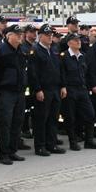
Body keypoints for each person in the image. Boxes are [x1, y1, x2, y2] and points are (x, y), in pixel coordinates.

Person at [28, 24, 66, 156]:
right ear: (40, 36)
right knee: (41, 119)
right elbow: (33, 73)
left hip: (55, 89)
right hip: (44, 90)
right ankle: (40, 146)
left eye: (51, 35)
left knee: (53, 119)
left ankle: (52, 144)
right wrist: (38, 89)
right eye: (47, 35)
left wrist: (63, 85)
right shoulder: (35, 51)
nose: (50, 37)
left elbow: (60, 69)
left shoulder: (54, 50)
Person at [0, 24, 29, 164]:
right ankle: (4, 154)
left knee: (17, 122)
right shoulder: (1, 50)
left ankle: (12, 151)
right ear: (9, 36)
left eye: (21, 34)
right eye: (17, 34)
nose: (20, 36)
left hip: (19, 91)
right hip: (5, 92)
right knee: (5, 123)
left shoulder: (22, 50)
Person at [59, 33, 96, 150]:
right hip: (70, 89)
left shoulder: (83, 56)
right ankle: (73, 142)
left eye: (79, 40)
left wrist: (91, 85)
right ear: (69, 43)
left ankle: (89, 141)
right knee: (70, 117)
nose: (78, 42)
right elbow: (61, 74)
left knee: (90, 114)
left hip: (82, 89)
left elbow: (88, 73)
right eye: (75, 40)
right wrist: (63, 87)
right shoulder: (64, 56)